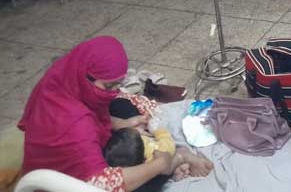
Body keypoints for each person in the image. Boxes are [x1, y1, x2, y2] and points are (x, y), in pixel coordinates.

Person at [18, 36, 212, 192]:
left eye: (118, 84)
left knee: (120, 104)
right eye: (109, 85)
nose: (114, 91)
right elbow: (103, 185)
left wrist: (120, 123)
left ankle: (157, 154)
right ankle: (178, 158)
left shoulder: (64, 73)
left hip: (79, 141)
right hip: (66, 183)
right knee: (144, 180)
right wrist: (161, 164)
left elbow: (99, 108)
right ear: (86, 76)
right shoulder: (74, 125)